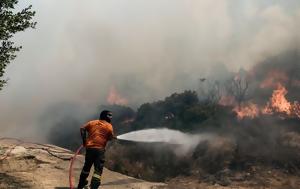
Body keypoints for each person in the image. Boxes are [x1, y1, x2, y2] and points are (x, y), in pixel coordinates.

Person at [77, 110, 116, 189]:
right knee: (98, 170)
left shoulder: (92, 122)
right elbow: (110, 138)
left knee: (86, 167)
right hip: (99, 150)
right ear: (108, 118)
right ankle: (94, 187)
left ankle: (81, 185)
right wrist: (112, 138)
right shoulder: (109, 126)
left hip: (90, 149)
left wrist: (84, 142)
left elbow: (82, 129)